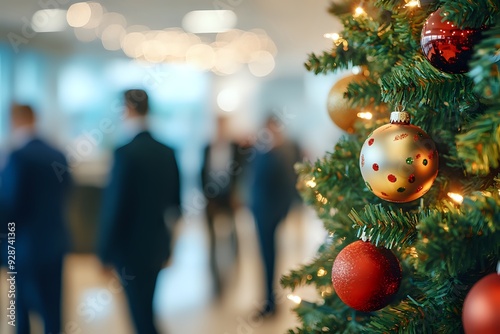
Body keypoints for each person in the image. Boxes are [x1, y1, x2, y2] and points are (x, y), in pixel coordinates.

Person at [97, 89, 181, 334]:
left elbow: (115, 207)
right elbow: (175, 205)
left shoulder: (124, 153)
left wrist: (104, 252)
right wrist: (170, 245)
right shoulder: (168, 152)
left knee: (139, 313)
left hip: (129, 249)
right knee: (147, 307)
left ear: (128, 109)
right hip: (157, 244)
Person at [0, 104, 72, 334]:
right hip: (55, 241)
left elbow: (10, 205)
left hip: (23, 245)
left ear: (15, 120)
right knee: (53, 308)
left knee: (21, 308)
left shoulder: (18, 156)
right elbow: (68, 192)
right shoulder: (57, 153)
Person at [250, 115, 302, 316]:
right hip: (259, 209)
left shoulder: (283, 152)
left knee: (269, 256)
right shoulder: (260, 149)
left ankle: (270, 303)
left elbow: (289, 185)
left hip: (270, 212)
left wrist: (281, 212)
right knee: (264, 257)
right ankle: (268, 300)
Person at [201, 116, 242, 298]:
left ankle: (235, 273)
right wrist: (206, 198)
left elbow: (242, 173)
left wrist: (237, 196)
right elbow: (202, 173)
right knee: (211, 241)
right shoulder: (207, 147)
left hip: (229, 198)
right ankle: (215, 281)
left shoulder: (235, 148)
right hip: (211, 199)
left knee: (233, 237)